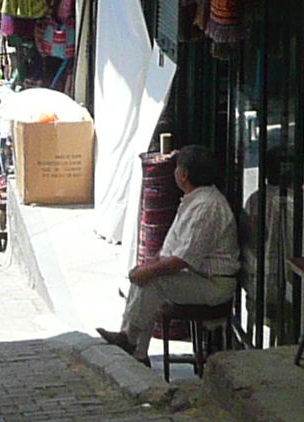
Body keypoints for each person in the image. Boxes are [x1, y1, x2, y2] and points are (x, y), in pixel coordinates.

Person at [104, 145, 243, 358]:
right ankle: (137, 352)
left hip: (215, 284)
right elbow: (172, 249)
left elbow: (182, 259)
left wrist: (149, 271)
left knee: (154, 280)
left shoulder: (207, 206)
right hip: (199, 277)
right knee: (143, 277)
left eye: (177, 168)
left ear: (184, 175)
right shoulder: (195, 200)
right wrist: (147, 267)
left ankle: (130, 339)